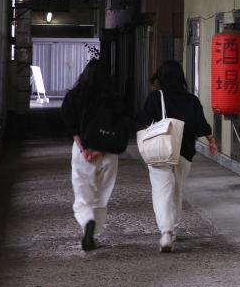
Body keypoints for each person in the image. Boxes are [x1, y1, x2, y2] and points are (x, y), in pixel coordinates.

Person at [137, 60, 218, 252]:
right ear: (181, 77)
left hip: (160, 151)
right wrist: (212, 141)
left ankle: (166, 232)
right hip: (184, 153)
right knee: (176, 190)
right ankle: (172, 228)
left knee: (162, 190)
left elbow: (141, 121)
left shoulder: (156, 98)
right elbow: (201, 126)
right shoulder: (192, 100)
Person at [61, 58, 128, 251]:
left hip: (82, 154)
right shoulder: (113, 98)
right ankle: (95, 232)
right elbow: (123, 125)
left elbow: (69, 124)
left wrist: (84, 149)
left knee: (83, 196)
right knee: (102, 195)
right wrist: (100, 149)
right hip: (108, 154)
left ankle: (87, 222)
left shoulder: (74, 96)